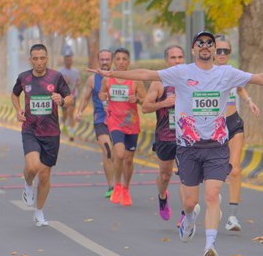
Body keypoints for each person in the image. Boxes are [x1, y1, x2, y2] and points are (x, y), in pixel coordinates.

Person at [89, 30, 263, 256]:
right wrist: (112, 73)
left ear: (214, 49)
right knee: (190, 202)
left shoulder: (226, 73)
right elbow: (146, 73)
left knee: (212, 195)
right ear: (194, 49)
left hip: (216, 146)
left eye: (209, 43)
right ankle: (188, 218)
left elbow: (260, 78)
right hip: (188, 147)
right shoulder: (182, 72)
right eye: (201, 43)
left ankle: (209, 247)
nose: (205, 46)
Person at [11, 43, 73, 226]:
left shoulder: (56, 77)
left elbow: (70, 98)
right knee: (32, 167)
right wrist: (18, 110)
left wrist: (62, 100)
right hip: (30, 129)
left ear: (47, 58)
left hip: (51, 132)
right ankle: (28, 184)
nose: (39, 62)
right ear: (30, 60)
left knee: (45, 175)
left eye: (42, 58)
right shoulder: (24, 77)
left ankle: (39, 212)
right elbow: (14, 94)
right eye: (35, 58)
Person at [214, 34, 260, 232]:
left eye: (226, 51)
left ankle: (232, 216)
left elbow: (240, 88)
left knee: (235, 169)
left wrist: (249, 101)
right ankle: (213, 200)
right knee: (214, 171)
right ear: (212, 52)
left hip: (233, 122)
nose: (222, 54)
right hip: (213, 126)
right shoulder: (205, 73)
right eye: (218, 50)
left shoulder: (232, 72)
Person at [142, 45, 188, 223]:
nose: (177, 61)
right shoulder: (159, 82)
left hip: (186, 137)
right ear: (166, 60)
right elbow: (145, 107)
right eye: (173, 58)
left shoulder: (190, 80)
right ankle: (162, 196)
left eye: (180, 57)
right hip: (165, 137)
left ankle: (186, 215)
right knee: (165, 175)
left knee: (186, 176)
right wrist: (164, 103)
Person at [99, 48, 147, 206]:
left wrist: (137, 99)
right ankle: (117, 185)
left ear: (128, 62)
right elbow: (102, 94)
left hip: (131, 123)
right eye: (118, 59)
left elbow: (146, 100)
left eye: (124, 59)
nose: (120, 62)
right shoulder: (107, 79)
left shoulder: (135, 80)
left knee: (128, 159)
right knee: (119, 154)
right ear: (114, 61)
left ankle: (126, 188)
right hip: (114, 122)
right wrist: (103, 96)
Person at [75, 49, 115, 198]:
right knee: (108, 151)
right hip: (101, 120)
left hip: (118, 121)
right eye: (102, 59)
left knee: (118, 154)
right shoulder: (92, 80)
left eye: (107, 59)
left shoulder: (118, 77)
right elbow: (85, 97)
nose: (104, 62)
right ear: (98, 61)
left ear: (111, 60)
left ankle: (120, 185)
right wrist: (79, 111)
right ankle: (111, 186)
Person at [58, 46, 80, 141]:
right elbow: (57, 84)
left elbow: (78, 81)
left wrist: (77, 84)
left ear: (72, 60)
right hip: (63, 96)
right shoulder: (60, 71)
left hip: (73, 95)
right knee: (65, 114)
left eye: (70, 59)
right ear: (64, 60)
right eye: (67, 60)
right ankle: (64, 124)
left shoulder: (75, 71)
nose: (68, 61)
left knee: (71, 112)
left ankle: (71, 132)